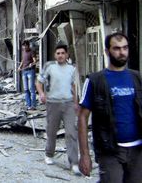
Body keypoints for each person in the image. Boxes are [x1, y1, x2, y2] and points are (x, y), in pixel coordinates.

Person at [78, 32, 142, 182]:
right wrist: (85, 154)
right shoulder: (95, 80)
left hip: (138, 151)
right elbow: (82, 117)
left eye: (125, 48)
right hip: (110, 150)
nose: (122, 52)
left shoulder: (137, 78)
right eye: (117, 48)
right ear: (107, 51)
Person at [35, 44, 80, 175]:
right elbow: (39, 82)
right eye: (58, 53)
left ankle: (74, 163)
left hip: (68, 104)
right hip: (53, 103)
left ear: (67, 55)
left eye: (63, 53)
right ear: (55, 55)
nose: (60, 55)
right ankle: (49, 154)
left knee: (71, 132)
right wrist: (42, 94)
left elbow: (74, 87)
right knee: (51, 131)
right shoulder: (49, 67)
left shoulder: (72, 69)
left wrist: (76, 103)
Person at [18, 40, 37, 110]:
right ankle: (29, 105)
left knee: (31, 89)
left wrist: (31, 64)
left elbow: (35, 61)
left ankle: (33, 105)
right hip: (24, 71)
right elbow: (23, 60)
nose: (24, 47)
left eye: (25, 46)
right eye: (23, 46)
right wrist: (20, 67)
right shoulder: (23, 52)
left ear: (28, 45)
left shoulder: (32, 51)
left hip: (30, 71)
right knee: (26, 89)